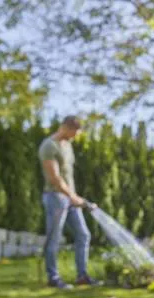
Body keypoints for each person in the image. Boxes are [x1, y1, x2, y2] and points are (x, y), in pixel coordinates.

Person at [39, 115, 101, 289]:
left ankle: (82, 275)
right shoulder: (49, 146)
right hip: (55, 197)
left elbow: (67, 176)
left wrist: (75, 197)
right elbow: (54, 178)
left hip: (69, 197)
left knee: (83, 234)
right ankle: (53, 277)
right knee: (54, 238)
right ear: (65, 128)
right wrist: (71, 196)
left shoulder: (67, 146)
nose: (75, 136)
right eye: (74, 132)